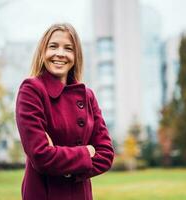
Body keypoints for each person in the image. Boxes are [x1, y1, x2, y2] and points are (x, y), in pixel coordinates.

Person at [15, 23, 114, 200]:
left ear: (76, 56)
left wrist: (64, 165)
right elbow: (40, 155)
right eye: (53, 46)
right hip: (44, 194)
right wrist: (86, 153)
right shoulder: (31, 90)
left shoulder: (87, 96)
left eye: (68, 48)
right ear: (42, 52)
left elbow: (106, 155)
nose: (60, 53)